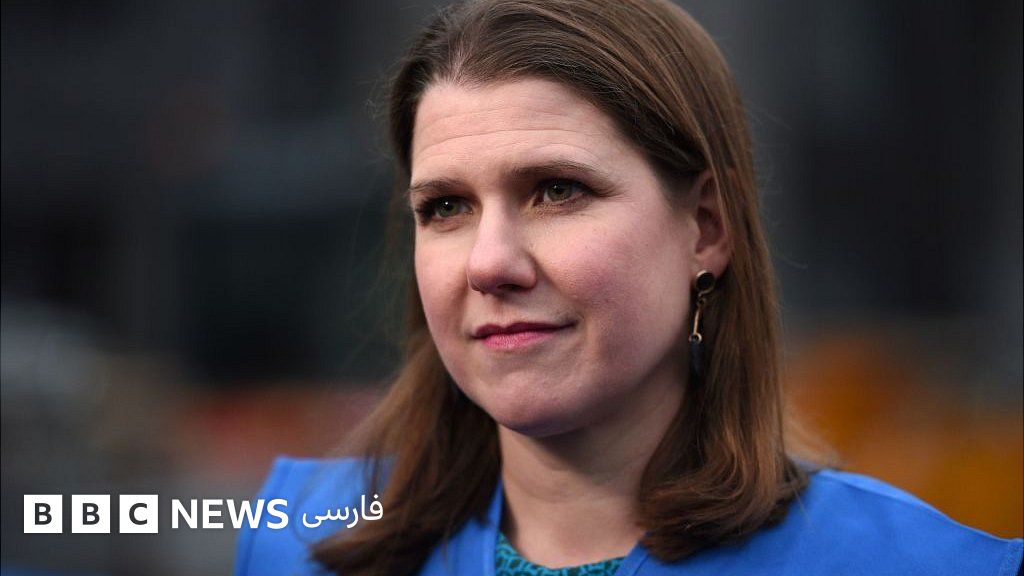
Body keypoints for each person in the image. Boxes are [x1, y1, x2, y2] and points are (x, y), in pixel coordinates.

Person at [234, 0, 1023, 574]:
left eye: (557, 191)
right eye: (446, 207)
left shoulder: (922, 565)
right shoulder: (301, 540)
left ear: (705, 229)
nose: (488, 262)